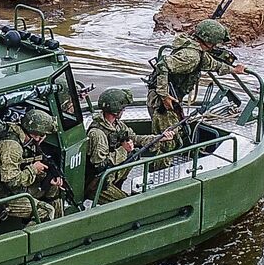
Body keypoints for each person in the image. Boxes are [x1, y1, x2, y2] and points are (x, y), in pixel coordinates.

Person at [147, 18, 246, 153]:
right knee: (167, 143)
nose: (216, 46)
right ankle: (158, 169)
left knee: (175, 135)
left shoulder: (194, 48)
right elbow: (162, 65)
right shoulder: (191, 56)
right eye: (216, 43)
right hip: (162, 102)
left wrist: (233, 70)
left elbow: (210, 63)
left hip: (170, 98)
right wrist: (164, 96)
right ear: (210, 41)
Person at [85, 88, 177, 203]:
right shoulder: (97, 134)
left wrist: (159, 138)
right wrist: (123, 150)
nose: (123, 111)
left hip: (111, 174)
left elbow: (135, 138)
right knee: (127, 203)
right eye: (122, 109)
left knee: (133, 154)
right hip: (98, 183)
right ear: (116, 110)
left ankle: (117, 186)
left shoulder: (116, 125)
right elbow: (99, 165)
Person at [0, 109, 64, 223]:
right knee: (45, 211)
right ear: (35, 133)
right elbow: (11, 181)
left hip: (20, 190)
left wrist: (46, 176)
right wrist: (33, 170)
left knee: (54, 189)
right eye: (42, 135)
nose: (42, 139)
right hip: (4, 196)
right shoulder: (12, 147)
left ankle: (59, 227)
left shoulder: (27, 142)